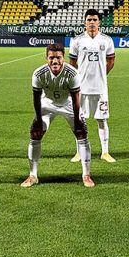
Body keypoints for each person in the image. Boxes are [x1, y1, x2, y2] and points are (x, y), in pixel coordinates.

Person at [21, 43, 95, 188]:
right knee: (35, 134)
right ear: (46, 58)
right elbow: (36, 99)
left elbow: (75, 99)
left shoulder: (72, 73)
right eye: (51, 58)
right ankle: (32, 175)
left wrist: (78, 118)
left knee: (82, 133)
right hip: (47, 104)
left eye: (58, 58)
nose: (55, 61)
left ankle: (86, 175)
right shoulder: (38, 74)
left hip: (68, 103)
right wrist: (38, 119)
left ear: (63, 58)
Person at [69, 9, 116, 163]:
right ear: (85, 22)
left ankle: (105, 151)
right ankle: (79, 152)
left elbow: (111, 61)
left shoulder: (107, 40)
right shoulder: (77, 41)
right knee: (80, 120)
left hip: (101, 87)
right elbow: (72, 63)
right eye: (89, 20)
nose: (92, 23)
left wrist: (102, 73)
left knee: (102, 119)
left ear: (99, 22)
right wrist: (78, 79)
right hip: (81, 88)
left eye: (94, 20)